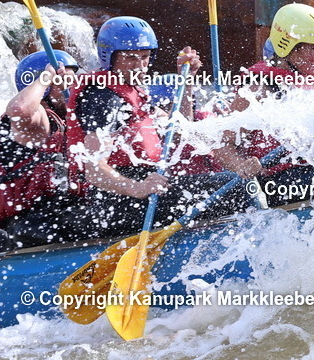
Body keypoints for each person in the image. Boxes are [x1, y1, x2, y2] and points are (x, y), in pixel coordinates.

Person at [65, 16, 249, 240]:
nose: (139, 66)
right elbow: (93, 169)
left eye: (144, 58)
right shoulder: (102, 98)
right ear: (109, 57)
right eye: (130, 58)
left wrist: (186, 81)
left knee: (235, 183)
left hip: (142, 187)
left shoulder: (132, 91)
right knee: (237, 188)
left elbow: (181, 129)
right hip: (114, 201)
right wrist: (137, 188)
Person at [212, 3, 314, 206]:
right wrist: (241, 166)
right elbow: (223, 145)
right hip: (279, 181)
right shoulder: (259, 88)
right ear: (288, 46)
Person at [0, 50, 79, 250]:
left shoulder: (74, 121)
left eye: (73, 81)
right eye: (63, 82)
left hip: (56, 213)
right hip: (27, 224)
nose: (71, 88)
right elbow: (20, 108)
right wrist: (46, 77)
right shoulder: (37, 120)